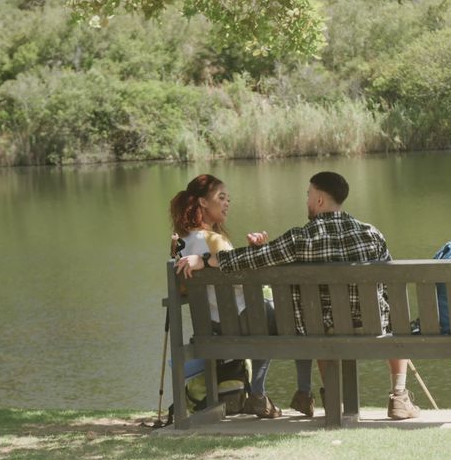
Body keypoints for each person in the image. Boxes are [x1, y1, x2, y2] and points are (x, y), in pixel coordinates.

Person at [176, 171, 421, 420]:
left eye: (308, 196)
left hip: (324, 329)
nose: (306, 201)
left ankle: (333, 399)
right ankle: (399, 396)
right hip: (372, 325)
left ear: (319, 201)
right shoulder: (371, 234)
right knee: (395, 320)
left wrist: (204, 260)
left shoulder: (300, 238)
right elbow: (391, 282)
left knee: (320, 325)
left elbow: (249, 259)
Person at [170, 174, 316, 418]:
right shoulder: (215, 241)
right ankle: (299, 393)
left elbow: (183, 289)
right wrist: (256, 255)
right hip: (243, 319)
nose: (227, 203)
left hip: (213, 326)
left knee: (266, 321)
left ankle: (260, 396)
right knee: (301, 318)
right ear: (203, 203)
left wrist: (250, 254)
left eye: (229, 198)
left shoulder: (179, 243)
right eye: (222, 197)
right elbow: (244, 282)